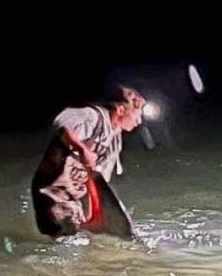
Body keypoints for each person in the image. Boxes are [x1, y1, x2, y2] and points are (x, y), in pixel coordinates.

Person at [31, 85, 146, 236]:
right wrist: (82, 149)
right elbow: (63, 123)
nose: (139, 120)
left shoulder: (115, 138)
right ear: (120, 110)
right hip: (52, 189)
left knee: (83, 233)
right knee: (65, 231)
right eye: (137, 113)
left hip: (76, 192)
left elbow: (100, 178)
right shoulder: (93, 116)